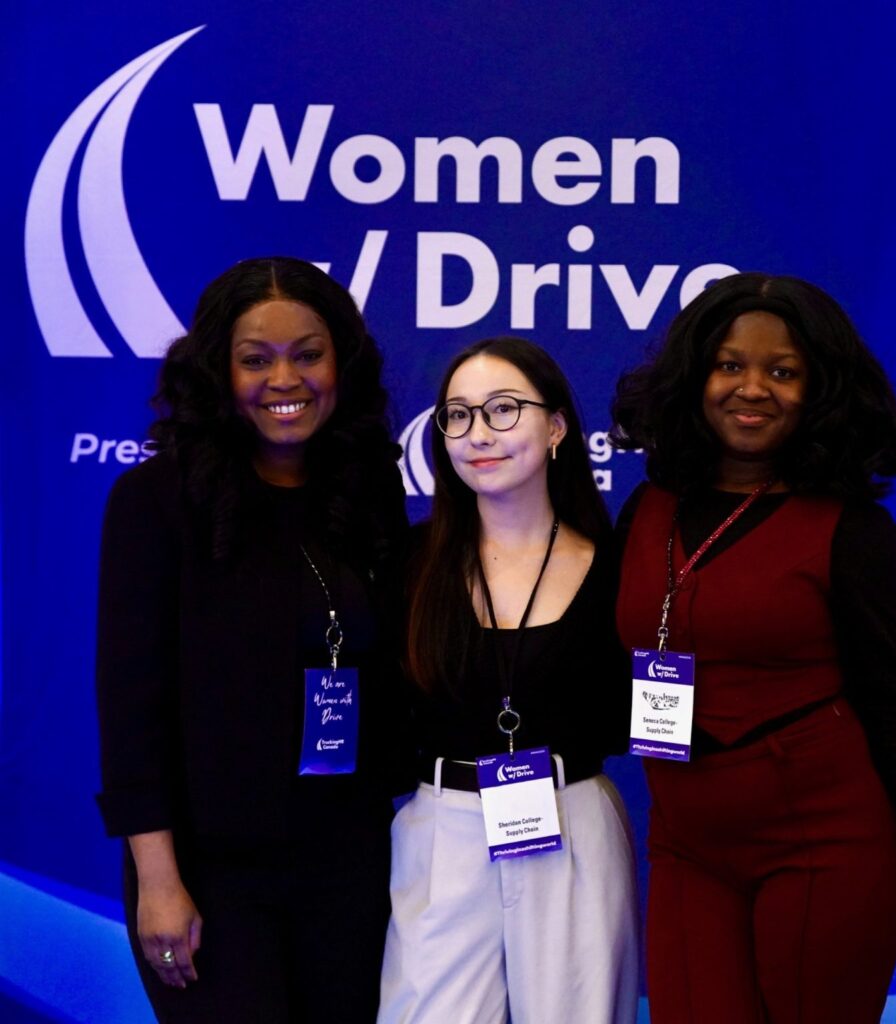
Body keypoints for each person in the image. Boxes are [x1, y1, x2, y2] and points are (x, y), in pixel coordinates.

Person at [611, 271, 896, 1024]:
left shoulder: (854, 535)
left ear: (819, 391)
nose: (751, 388)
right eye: (729, 365)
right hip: (688, 848)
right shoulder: (647, 507)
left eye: (782, 372)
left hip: (824, 848)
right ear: (695, 375)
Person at [95, 257, 409, 1023]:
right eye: (255, 359)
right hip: (209, 875)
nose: (284, 379)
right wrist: (159, 879)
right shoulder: (155, 500)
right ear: (216, 372)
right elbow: (131, 706)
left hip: (347, 866)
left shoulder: (366, 489)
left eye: (307, 354)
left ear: (341, 361)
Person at [378, 337, 640, 1024]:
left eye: (502, 410)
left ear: (554, 429)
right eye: (457, 416)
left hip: (571, 820)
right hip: (443, 826)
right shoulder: (410, 563)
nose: (478, 435)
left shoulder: (619, 569)